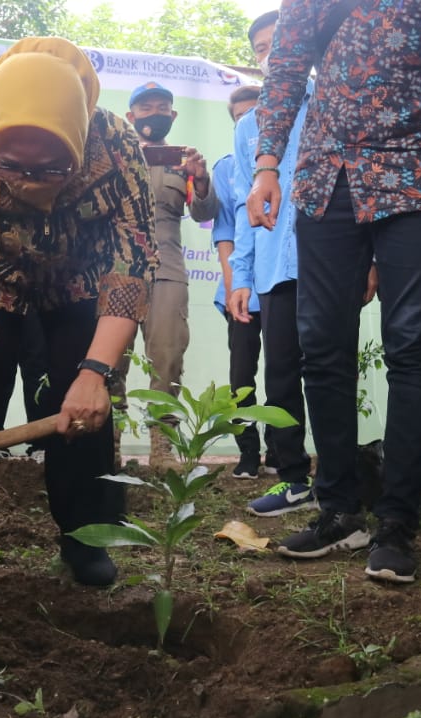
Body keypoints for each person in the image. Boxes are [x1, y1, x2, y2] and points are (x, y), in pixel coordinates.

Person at [250, 0, 421, 583]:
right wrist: (267, 164)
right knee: (321, 345)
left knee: (412, 346)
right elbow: (287, 62)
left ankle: (397, 521)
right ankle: (339, 510)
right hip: (327, 175)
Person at [0, 37, 156, 587]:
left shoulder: (115, 146)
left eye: (51, 169)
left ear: (79, 142)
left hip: (80, 285)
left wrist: (95, 373)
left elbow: (131, 266)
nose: (28, 183)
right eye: (12, 167)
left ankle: (88, 535)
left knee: (84, 405)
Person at [229, 10, 318, 517]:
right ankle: (292, 479)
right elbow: (246, 206)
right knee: (280, 374)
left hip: (329, 261)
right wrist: (241, 276)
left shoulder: (331, 104)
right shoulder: (248, 127)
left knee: (329, 369)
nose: (270, 54)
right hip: (271, 268)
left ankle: (340, 479)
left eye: (277, 43)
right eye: (261, 48)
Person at [121, 81, 218, 469]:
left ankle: (160, 452)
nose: (154, 113)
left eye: (162, 107)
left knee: (167, 357)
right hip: (118, 270)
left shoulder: (185, 161)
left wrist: (202, 177)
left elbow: (204, 213)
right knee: (110, 361)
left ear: (172, 116)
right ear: (131, 116)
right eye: (145, 108)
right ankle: (105, 446)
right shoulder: (114, 155)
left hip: (167, 269)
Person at [210, 84, 265, 480]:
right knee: (241, 375)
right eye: (240, 116)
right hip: (240, 288)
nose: (248, 121)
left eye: (255, 112)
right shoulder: (226, 167)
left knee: (285, 373)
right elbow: (225, 231)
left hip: (281, 284)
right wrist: (233, 287)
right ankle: (248, 455)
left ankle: (284, 451)